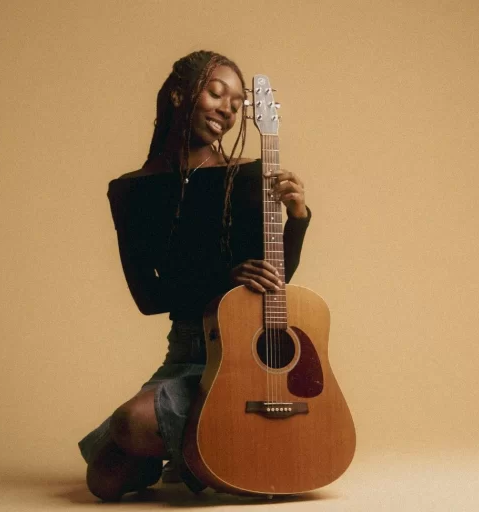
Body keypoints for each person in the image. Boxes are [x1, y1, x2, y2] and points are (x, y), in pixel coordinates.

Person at [78, 50, 312, 502]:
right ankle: (206, 451)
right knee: (103, 482)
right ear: (180, 95)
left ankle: (204, 450)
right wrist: (223, 277)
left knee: (130, 427)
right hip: (189, 348)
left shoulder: (247, 176)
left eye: (236, 102)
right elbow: (148, 296)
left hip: (249, 351)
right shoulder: (130, 191)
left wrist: (297, 217)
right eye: (216, 92)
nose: (227, 109)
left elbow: (274, 280)